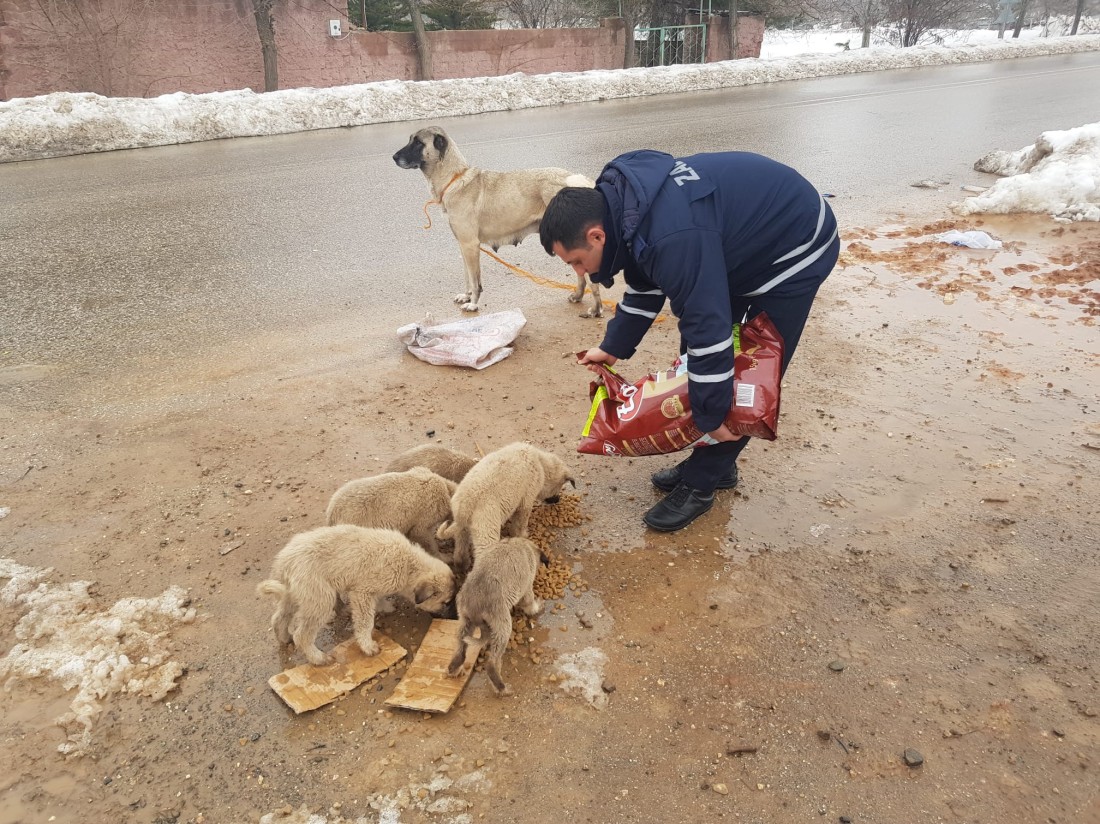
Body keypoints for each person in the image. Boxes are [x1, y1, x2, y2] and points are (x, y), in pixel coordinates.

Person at [539, 149, 839, 532]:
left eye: (577, 262)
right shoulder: (627, 213)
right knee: (698, 369)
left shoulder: (673, 237)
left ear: (597, 235)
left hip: (795, 248)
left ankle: (702, 484)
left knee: (745, 376)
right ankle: (716, 460)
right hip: (731, 245)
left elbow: (709, 335)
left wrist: (710, 415)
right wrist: (613, 345)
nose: (580, 272)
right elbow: (646, 280)